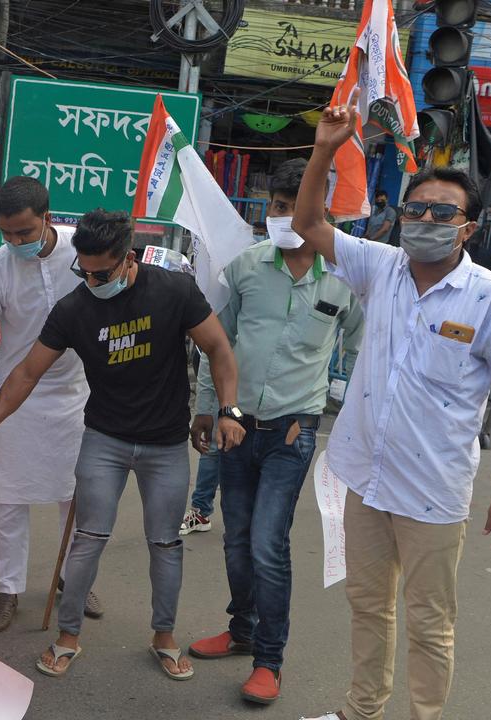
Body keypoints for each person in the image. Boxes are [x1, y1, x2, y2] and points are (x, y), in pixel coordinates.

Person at [294, 102, 491, 720]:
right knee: (367, 605)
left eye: (442, 212)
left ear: (469, 228)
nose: (424, 219)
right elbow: (309, 221)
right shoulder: (382, 267)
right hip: (365, 477)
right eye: (415, 209)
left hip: (432, 490)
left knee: (430, 623)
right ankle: (361, 710)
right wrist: (325, 149)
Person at [0, 208, 244, 679]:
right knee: (87, 540)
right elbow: (26, 373)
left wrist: (228, 410)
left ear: (128, 259)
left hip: (166, 444)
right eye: (83, 271)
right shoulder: (75, 308)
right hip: (104, 440)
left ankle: (164, 637)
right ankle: (68, 637)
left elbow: (218, 347)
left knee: (166, 544)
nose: (91, 281)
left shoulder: (173, 291)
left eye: (101, 272)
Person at [185, 159, 362, 705]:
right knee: (237, 540)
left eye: (295, 208)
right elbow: (219, 345)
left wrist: (351, 423)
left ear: (321, 213)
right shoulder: (243, 268)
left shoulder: (346, 278)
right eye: (278, 207)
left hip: (293, 432)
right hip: (237, 425)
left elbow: (357, 353)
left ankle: (269, 658)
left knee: (267, 543)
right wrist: (208, 408)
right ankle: (240, 631)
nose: (283, 217)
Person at [0, 176, 100, 633]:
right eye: (7, 233)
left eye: (24, 231)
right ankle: (7, 588)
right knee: (9, 499)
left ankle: (73, 580)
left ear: (47, 217)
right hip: (14, 399)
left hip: (78, 394)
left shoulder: (83, 257)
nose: (16, 241)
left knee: (79, 499)